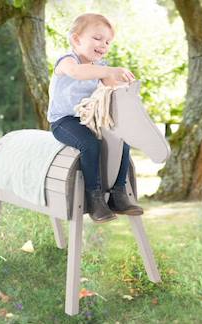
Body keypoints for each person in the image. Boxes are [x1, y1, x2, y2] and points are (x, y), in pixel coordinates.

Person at [47, 13, 144, 223]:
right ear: (76, 39)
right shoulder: (67, 61)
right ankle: (94, 197)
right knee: (90, 144)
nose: (104, 45)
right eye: (98, 38)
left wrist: (128, 90)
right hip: (64, 121)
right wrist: (108, 70)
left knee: (121, 139)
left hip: (87, 118)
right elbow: (77, 73)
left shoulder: (101, 68)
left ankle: (119, 193)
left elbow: (114, 88)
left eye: (108, 41)